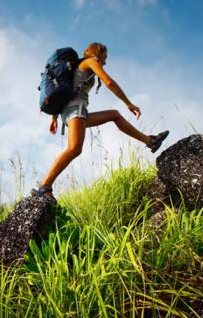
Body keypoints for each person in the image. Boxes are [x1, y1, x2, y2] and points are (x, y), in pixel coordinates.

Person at [31, 42, 169, 201]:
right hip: (76, 109)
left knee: (114, 115)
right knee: (74, 149)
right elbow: (109, 82)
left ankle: (150, 141)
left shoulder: (78, 65)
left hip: (74, 111)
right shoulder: (91, 61)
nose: (105, 62)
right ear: (98, 53)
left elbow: (65, 89)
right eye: (105, 57)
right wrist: (128, 103)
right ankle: (44, 186)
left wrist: (54, 117)